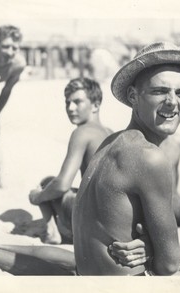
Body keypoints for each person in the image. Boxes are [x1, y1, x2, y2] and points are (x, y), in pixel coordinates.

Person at [0, 42, 180, 276]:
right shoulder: (150, 157)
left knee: (68, 262)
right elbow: (169, 264)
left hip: (87, 269)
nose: (172, 103)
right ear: (133, 96)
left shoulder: (111, 141)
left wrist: (148, 245)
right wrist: (153, 249)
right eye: (159, 91)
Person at [28, 77, 112, 244]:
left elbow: (62, 185)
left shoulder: (82, 132)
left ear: (95, 105)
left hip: (92, 222)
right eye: (67, 103)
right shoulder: (111, 132)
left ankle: (52, 231)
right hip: (113, 220)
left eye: (77, 102)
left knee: (48, 183)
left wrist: (36, 197)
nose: (70, 108)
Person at [0, 25, 27, 188]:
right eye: (5, 46)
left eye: (14, 48)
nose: (10, 52)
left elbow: (7, 90)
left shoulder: (18, 64)